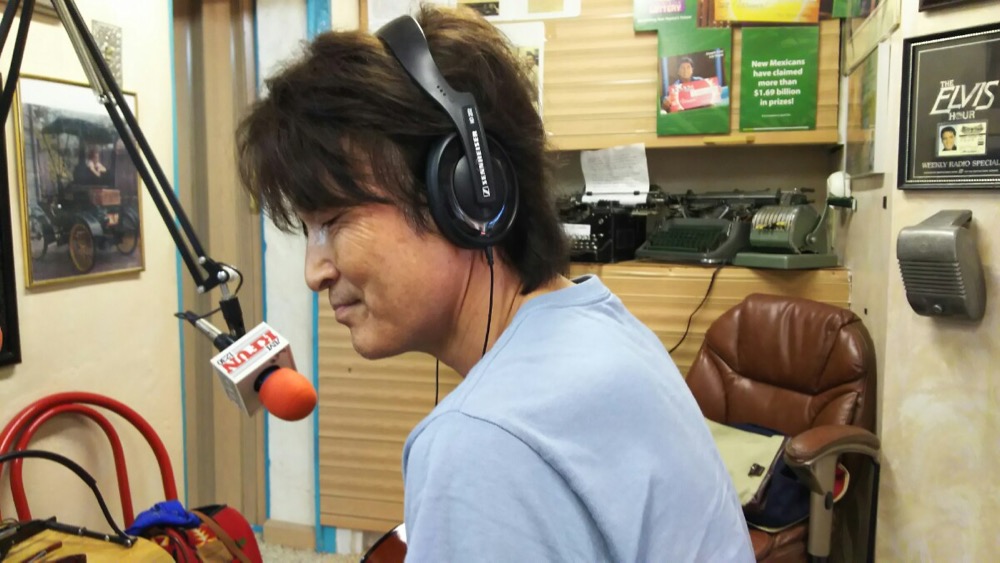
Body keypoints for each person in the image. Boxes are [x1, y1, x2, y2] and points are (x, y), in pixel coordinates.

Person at [236, 5, 753, 561]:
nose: (314, 272)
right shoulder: (603, 327)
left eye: (333, 222)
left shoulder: (483, 442)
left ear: (465, 193)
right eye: (308, 232)